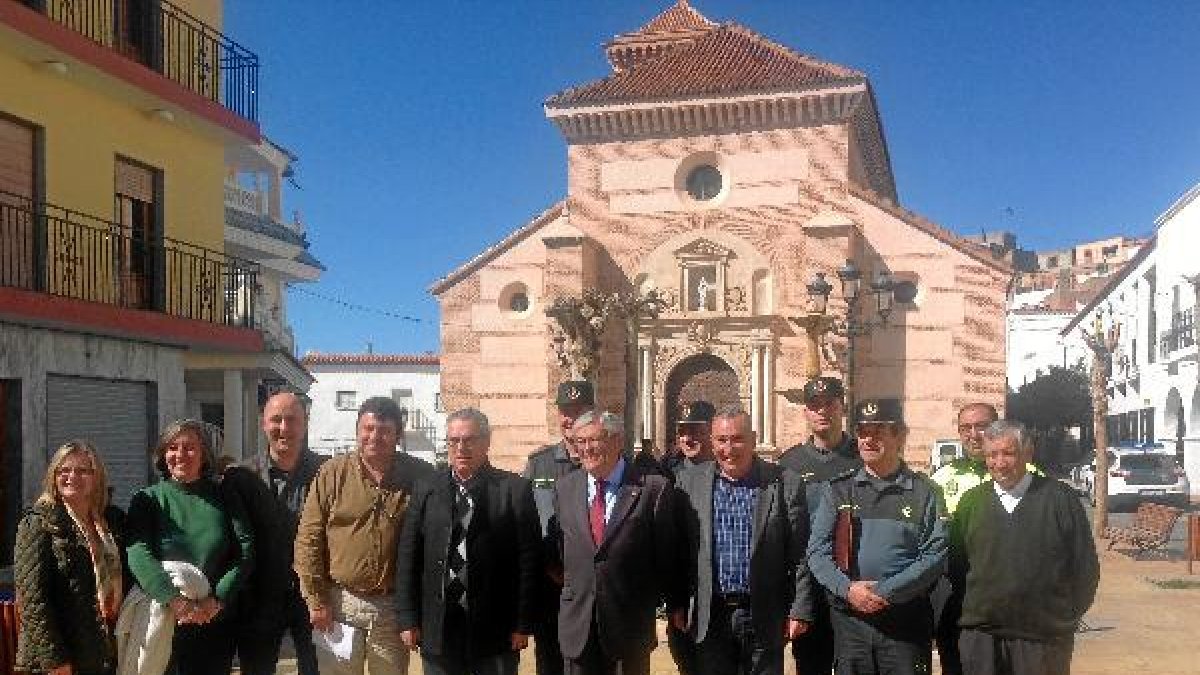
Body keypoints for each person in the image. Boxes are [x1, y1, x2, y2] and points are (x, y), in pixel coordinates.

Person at [294, 396, 433, 675]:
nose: (375, 437)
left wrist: (416, 611)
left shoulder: (420, 475)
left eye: (385, 431)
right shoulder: (332, 473)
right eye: (368, 429)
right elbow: (308, 539)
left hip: (392, 608)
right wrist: (317, 601)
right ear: (357, 430)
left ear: (398, 435)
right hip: (339, 603)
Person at [808, 399, 948, 675]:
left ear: (900, 435)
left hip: (904, 623)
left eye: (878, 431)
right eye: (862, 432)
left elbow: (935, 556)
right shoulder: (838, 490)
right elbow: (817, 552)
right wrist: (848, 590)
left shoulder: (925, 492)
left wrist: (884, 592)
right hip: (851, 624)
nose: (868, 440)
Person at [396, 408, 541, 675]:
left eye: (470, 439)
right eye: (454, 440)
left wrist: (523, 623)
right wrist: (407, 618)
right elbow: (408, 555)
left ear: (487, 442)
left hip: (495, 626)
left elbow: (529, 562)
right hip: (439, 626)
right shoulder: (426, 488)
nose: (461, 448)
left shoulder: (514, 490)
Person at [952, 421, 1099, 675]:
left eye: (1008, 453)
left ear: (1028, 453)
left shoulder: (1060, 499)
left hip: (1043, 639)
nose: (999, 463)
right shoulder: (971, 502)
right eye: (992, 455)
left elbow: (1084, 567)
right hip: (982, 637)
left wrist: (1064, 617)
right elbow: (956, 566)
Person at [673, 409, 812, 675]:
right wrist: (677, 603)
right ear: (712, 441)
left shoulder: (785, 483)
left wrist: (799, 609)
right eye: (721, 440)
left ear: (754, 439)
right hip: (711, 615)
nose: (729, 449)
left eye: (737, 439)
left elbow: (800, 552)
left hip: (764, 613)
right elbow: (680, 550)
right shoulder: (689, 483)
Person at [550, 410, 685, 675]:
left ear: (617, 441)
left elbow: (668, 556)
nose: (586, 448)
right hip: (577, 627)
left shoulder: (653, 489)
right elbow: (558, 548)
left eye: (594, 440)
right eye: (580, 442)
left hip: (629, 628)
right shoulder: (565, 488)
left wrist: (674, 604)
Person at [126, 419, 255, 675]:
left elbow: (245, 549)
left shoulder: (224, 496)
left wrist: (216, 600)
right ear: (163, 454)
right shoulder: (147, 499)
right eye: (173, 448)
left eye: (189, 447)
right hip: (161, 616)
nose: (180, 455)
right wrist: (174, 601)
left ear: (204, 454)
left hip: (213, 620)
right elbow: (138, 552)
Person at [226, 392, 328, 675]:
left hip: (314, 595)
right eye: (276, 419)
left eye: (292, 420)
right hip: (258, 598)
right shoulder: (240, 476)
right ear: (263, 423)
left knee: (318, 670)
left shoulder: (328, 472)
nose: (284, 428)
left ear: (305, 424)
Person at [15, 441, 124, 675]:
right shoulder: (38, 523)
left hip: (101, 651)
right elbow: (32, 599)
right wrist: (54, 659)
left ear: (96, 477)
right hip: (57, 659)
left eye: (82, 470)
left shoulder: (112, 522)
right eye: (64, 470)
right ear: (53, 476)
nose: (72, 477)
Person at [775, 376, 860, 675]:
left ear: (842, 407)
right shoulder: (789, 464)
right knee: (811, 665)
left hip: (854, 581)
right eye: (815, 405)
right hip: (808, 586)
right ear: (806, 412)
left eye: (829, 404)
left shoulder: (863, 457)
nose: (822, 411)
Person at [523, 380, 591, 675]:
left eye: (578, 411)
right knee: (549, 662)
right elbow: (526, 522)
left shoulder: (602, 461)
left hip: (591, 588)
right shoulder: (539, 464)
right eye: (565, 411)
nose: (570, 418)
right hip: (549, 588)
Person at [928, 402, 999, 675]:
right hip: (957, 597)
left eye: (981, 426)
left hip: (1006, 601)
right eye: (965, 428)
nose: (973, 434)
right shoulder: (941, 478)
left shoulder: (1024, 474)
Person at [660, 400, 716, 479]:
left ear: (712, 433)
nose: (686, 439)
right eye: (681, 432)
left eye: (694, 431)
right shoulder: (667, 473)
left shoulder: (727, 471)